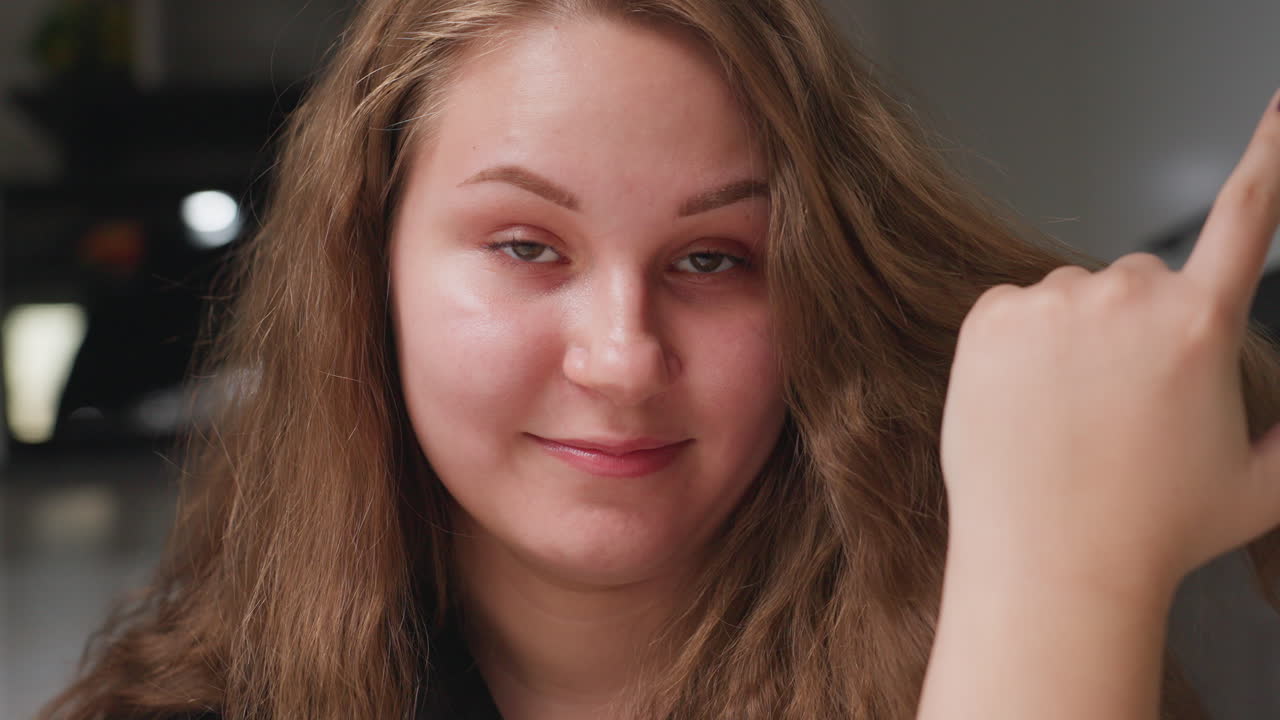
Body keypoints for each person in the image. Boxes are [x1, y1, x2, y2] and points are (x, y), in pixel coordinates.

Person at [37, 0, 1280, 718]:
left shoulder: (1131, 616)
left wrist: (1060, 583)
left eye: (711, 259)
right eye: (527, 246)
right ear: (368, 271)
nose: (622, 359)